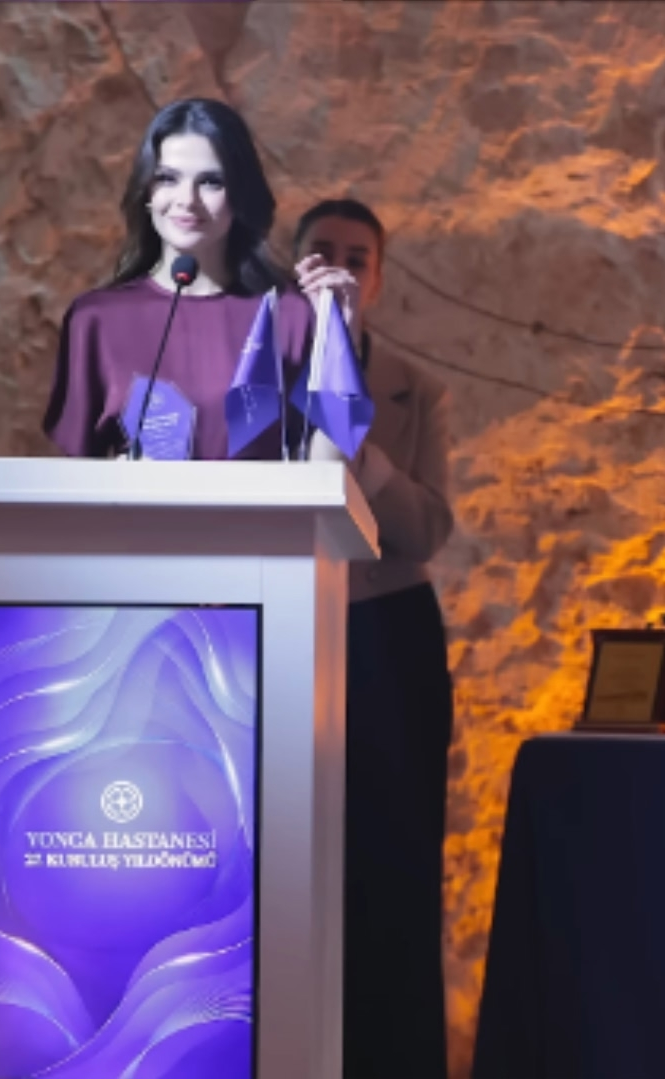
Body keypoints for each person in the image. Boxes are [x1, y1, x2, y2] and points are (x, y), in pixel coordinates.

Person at [291, 198, 456, 1079]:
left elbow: (427, 529)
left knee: (394, 860)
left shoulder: (415, 389)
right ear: (293, 268)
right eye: (322, 251)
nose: (339, 268)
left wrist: (362, 450)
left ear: (379, 279)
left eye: (358, 257)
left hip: (388, 632)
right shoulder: (255, 368)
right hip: (285, 624)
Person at [43, 98, 314, 459]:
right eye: (167, 178)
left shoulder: (289, 314)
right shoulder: (95, 320)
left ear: (240, 195)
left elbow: (326, 463)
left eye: (211, 182)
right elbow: (75, 476)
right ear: (146, 191)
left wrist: (340, 330)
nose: (187, 200)